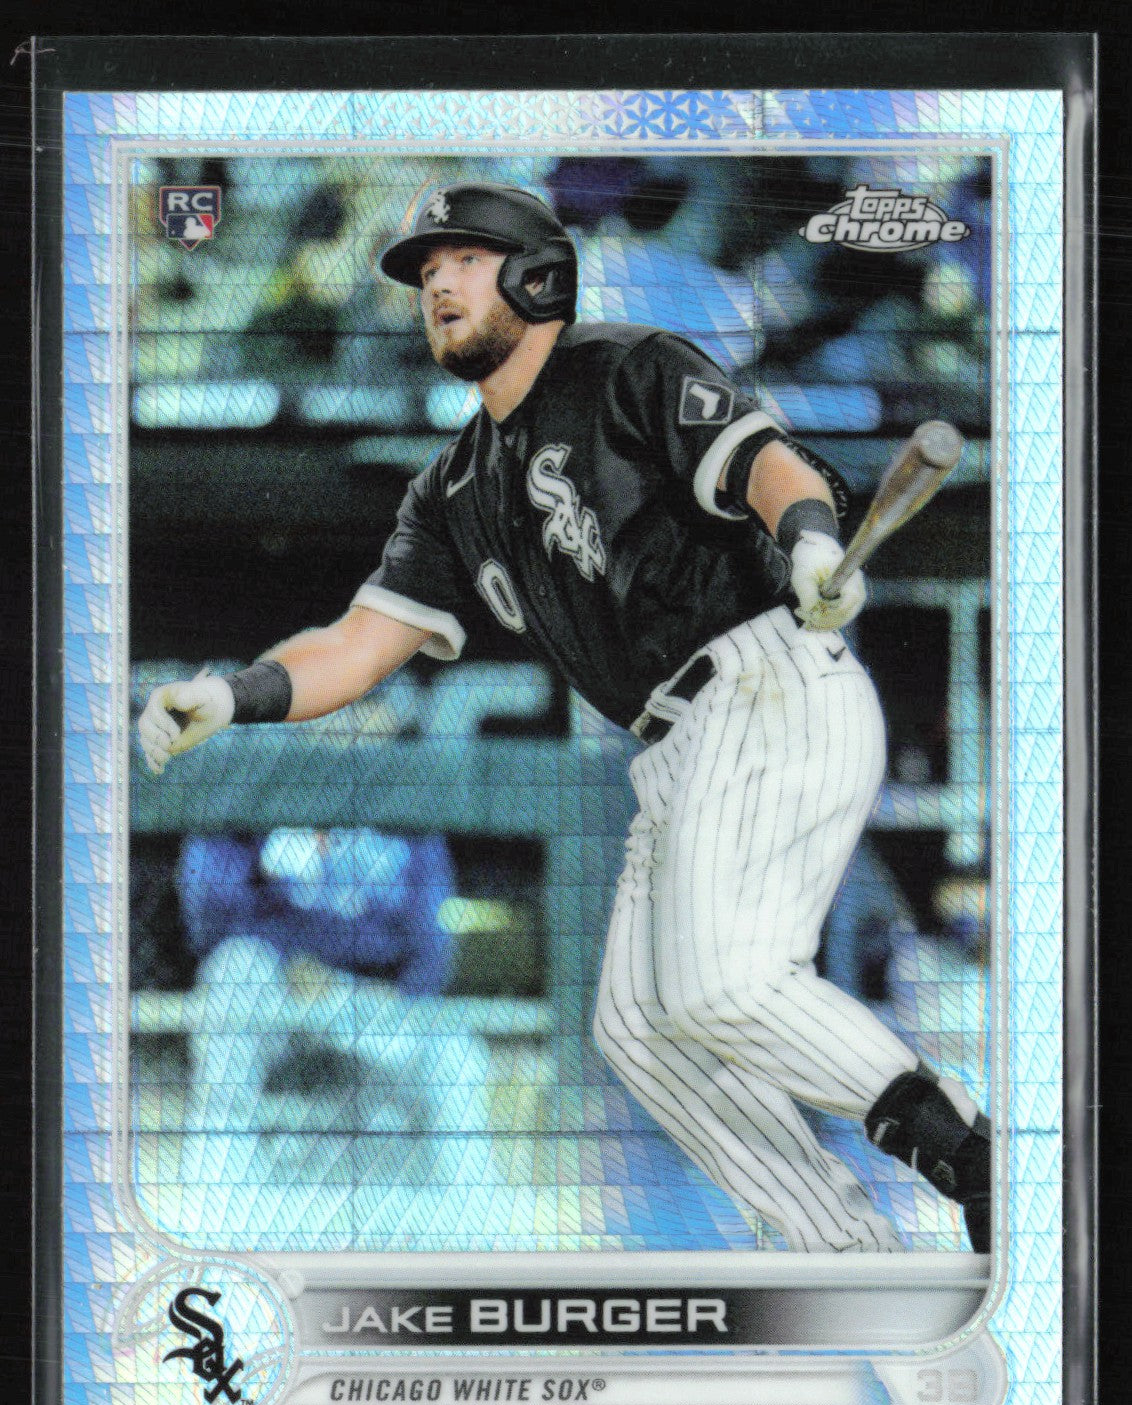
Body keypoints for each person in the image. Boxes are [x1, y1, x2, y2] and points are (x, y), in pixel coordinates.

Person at [139, 183, 990, 1253]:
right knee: (637, 1028)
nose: (437, 285)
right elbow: (357, 643)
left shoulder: (626, 367)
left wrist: (813, 538)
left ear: (538, 278)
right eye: (425, 271)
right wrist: (234, 694)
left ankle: (968, 1154)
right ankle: (842, 1243)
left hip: (766, 683)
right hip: (673, 739)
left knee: (720, 983)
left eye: (464, 260)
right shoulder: (454, 492)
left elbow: (764, 463)